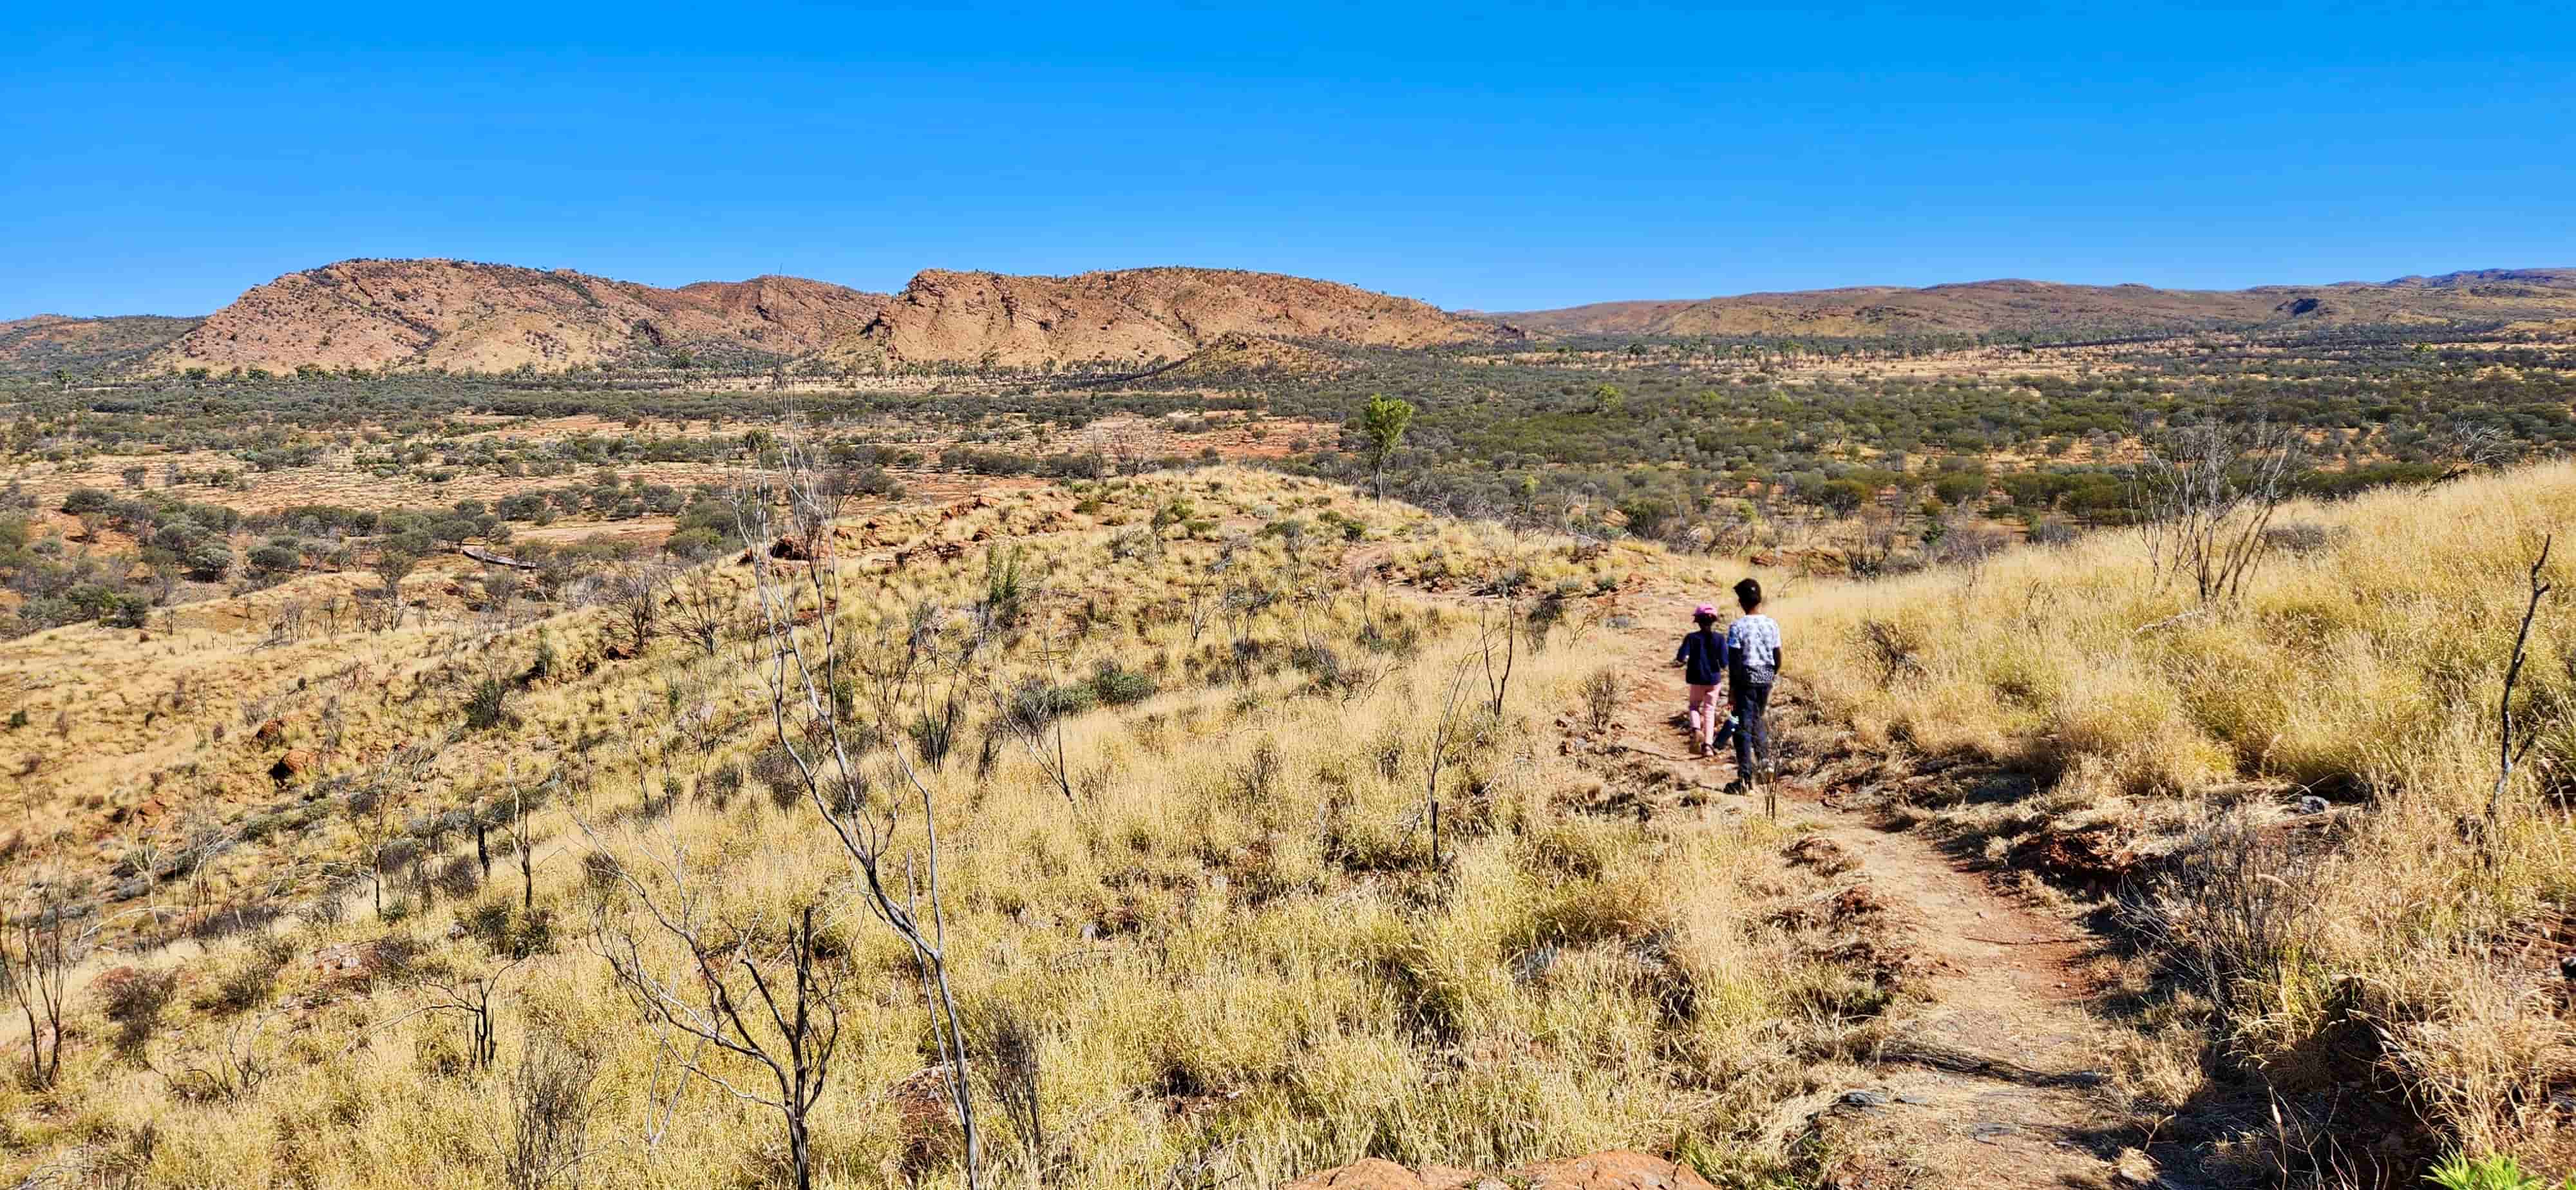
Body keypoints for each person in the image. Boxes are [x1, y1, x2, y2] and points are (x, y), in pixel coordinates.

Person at [1725, 578, 1783, 788]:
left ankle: (1745, 775)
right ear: (1760, 599)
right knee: (1757, 717)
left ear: (1741, 602)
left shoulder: (1737, 627)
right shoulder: (1772, 624)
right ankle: (1765, 762)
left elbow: (1735, 660)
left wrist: (1733, 689)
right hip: (1766, 676)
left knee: (1742, 724)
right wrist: (1769, 676)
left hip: (1746, 677)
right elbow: (1778, 657)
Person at [1672, 604, 1736, 757]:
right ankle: (1708, 746)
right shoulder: (1719, 639)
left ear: (1698, 621)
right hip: (1714, 680)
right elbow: (1724, 663)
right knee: (1710, 710)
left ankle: (1696, 730)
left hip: (1696, 679)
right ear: (1713, 621)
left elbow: (1680, 658)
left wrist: (1687, 659)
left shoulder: (1691, 638)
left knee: (1694, 706)